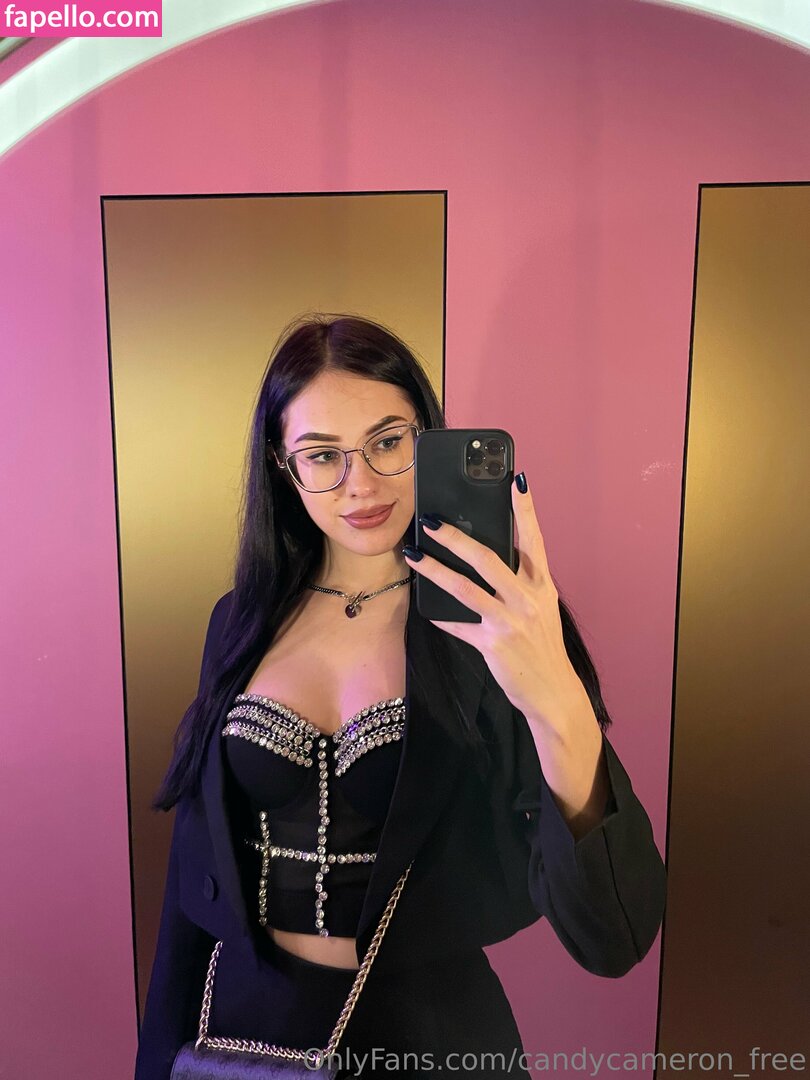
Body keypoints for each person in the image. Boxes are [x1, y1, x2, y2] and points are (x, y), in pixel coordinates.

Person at [134, 313, 667, 1080]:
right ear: (283, 465)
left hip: (433, 1045)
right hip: (246, 1041)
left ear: (428, 436)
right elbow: (194, 881)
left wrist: (553, 689)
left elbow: (613, 937)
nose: (362, 485)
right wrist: (155, 1062)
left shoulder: (495, 622)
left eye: (388, 442)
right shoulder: (240, 620)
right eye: (323, 455)